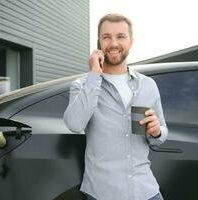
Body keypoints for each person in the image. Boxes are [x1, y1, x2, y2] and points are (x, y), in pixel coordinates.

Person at [63, 13, 168, 200]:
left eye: (120, 36)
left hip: (146, 191)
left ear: (131, 41)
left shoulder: (148, 85)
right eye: (106, 37)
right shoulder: (83, 85)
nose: (113, 43)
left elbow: (161, 133)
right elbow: (74, 123)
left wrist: (156, 131)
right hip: (102, 193)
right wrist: (94, 75)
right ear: (98, 43)